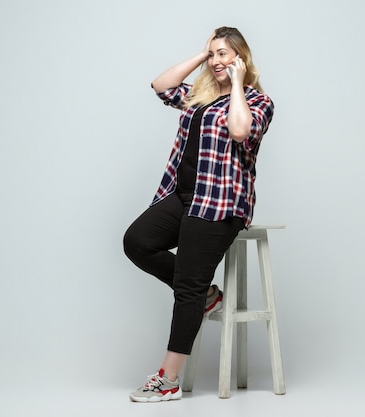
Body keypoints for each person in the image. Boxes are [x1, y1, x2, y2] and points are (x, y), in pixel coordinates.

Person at [123, 26, 274, 402]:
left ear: (241, 59)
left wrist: (237, 82)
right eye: (215, 53)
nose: (218, 60)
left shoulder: (258, 101)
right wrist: (201, 54)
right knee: (137, 242)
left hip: (221, 202)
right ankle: (206, 295)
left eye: (226, 54)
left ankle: (168, 379)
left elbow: (240, 131)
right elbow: (160, 85)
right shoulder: (199, 97)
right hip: (184, 195)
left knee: (185, 287)